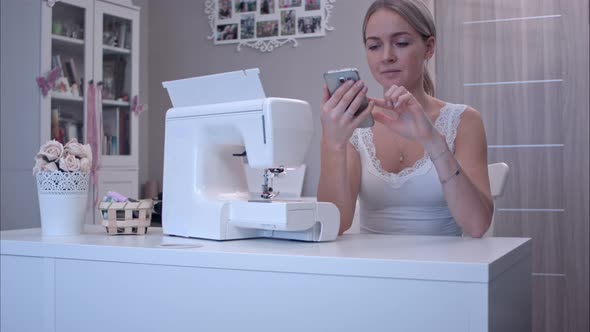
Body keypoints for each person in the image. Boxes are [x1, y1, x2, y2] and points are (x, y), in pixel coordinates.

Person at [317, 0, 493, 238]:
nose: (387, 56)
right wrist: (332, 143)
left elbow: (477, 225)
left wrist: (433, 141)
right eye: (374, 46)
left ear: (429, 47)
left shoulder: (464, 121)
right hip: (370, 269)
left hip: (445, 269)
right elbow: (334, 225)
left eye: (401, 43)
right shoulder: (355, 127)